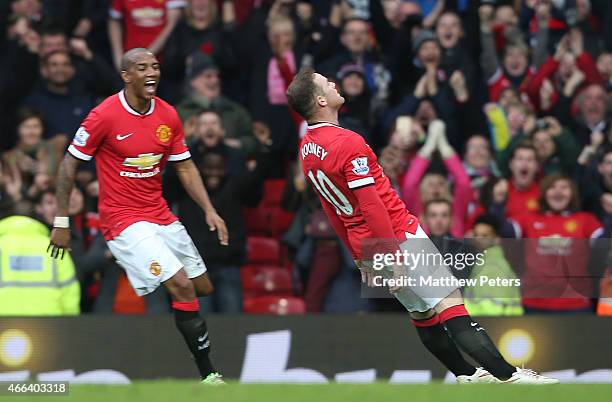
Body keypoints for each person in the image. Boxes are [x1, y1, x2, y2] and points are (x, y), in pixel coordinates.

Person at [286, 67, 558, 384]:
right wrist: (397, 255)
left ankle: (467, 375)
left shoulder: (306, 149)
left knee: (422, 313)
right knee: (449, 302)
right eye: (326, 82)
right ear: (320, 99)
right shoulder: (348, 142)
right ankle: (509, 377)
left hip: (370, 248)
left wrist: (360, 256)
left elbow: (332, 208)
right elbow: (372, 205)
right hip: (397, 237)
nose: (333, 83)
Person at [47, 48, 227, 385]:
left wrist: (209, 209)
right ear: (126, 76)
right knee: (182, 286)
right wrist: (61, 220)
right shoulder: (103, 115)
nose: (151, 73)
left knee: (201, 286)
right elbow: (70, 163)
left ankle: (148, 272)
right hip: (122, 220)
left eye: (155, 67)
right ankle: (210, 376)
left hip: (158, 214)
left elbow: (185, 166)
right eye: (141, 67)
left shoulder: (169, 115)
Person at [0, 200, 80, 316]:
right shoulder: (55, 248)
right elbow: (69, 293)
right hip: (49, 326)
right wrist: (70, 326)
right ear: (37, 218)